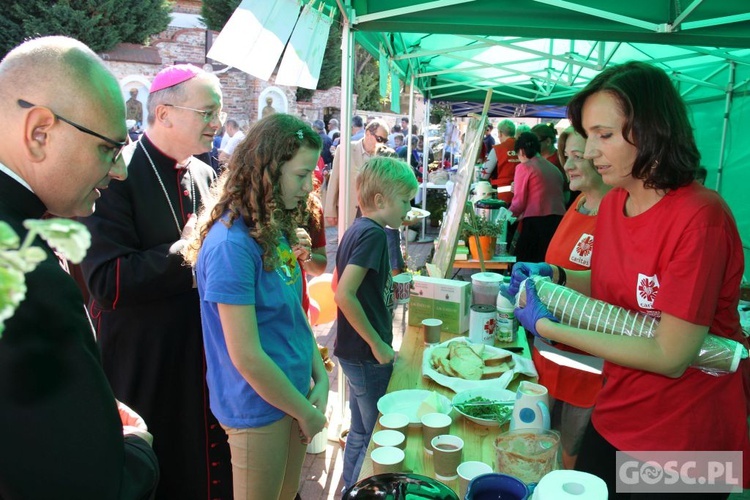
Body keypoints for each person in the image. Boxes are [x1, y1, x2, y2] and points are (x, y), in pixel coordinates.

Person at [512, 61, 750, 497]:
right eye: (588, 135)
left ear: (651, 129)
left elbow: (670, 354)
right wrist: (559, 275)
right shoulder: (614, 204)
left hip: (686, 442)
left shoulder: (701, 218)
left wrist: (548, 327)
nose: (588, 151)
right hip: (619, 408)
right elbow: (613, 281)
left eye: (604, 135)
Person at [0, 35, 158, 499]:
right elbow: (91, 484)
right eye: (109, 148)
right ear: (39, 132)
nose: (120, 172)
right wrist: (135, 448)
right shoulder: (24, 275)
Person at [79, 64, 233, 499]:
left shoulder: (204, 173)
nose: (216, 123)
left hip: (198, 351)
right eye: (207, 112)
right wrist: (186, 253)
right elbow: (107, 281)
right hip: (144, 358)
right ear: (164, 113)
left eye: (216, 113)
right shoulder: (117, 174)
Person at [183, 114, 328, 500]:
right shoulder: (231, 245)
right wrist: (306, 410)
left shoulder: (272, 227)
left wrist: (321, 377)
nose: (308, 185)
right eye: (300, 174)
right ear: (267, 170)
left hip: (294, 395)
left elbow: (294, 316)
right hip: (257, 408)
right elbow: (246, 355)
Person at [333, 156, 419, 489]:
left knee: (360, 429)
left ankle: (348, 486)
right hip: (365, 355)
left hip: (355, 353)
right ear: (381, 200)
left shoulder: (360, 228)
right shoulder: (371, 235)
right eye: (405, 200)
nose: (408, 208)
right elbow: (344, 294)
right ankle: (360, 490)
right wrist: (378, 343)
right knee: (375, 435)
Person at [530, 127, 610, 470]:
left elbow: (606, 288)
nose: (569, 165)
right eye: (567, 157)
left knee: (571, 457)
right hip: (549, 351)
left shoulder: (617, 213)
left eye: (579, 156)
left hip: (587, 363)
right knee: (537, 443)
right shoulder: (578, 202)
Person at [508, 132, 566, 262]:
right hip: (557, 221)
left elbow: (519, 202)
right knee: (546, 263)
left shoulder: (524, 167)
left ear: (521, 151)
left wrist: (505, 218)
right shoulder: (554, 168)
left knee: (526, 264)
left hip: (535, 224)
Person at [481, 118, 518, 204]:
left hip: (502, 196)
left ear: (500, 133)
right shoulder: (523, 147)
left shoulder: (498, 149)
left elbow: (484, 174)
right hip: (522, 195)